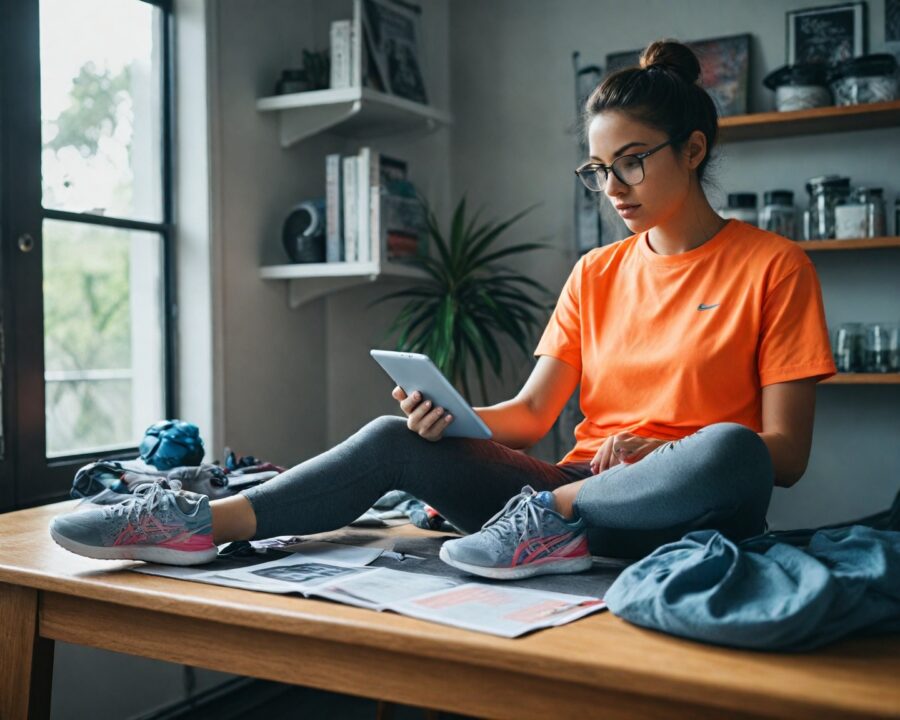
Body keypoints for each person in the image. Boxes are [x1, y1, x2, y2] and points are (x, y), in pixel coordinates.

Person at [50, 39, 836, 580]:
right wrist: (453, 417)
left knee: (729, 445)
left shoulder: (774, 266)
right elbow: (532, 415)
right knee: (394, 438)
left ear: (693, 149)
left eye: (632, 162)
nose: (613, 189)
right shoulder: (597, 272)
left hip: (687, 504)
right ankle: (197, 523)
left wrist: (659, 455)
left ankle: (552, 518)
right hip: (561, 499)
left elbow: (784, 456)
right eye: (597, 170)